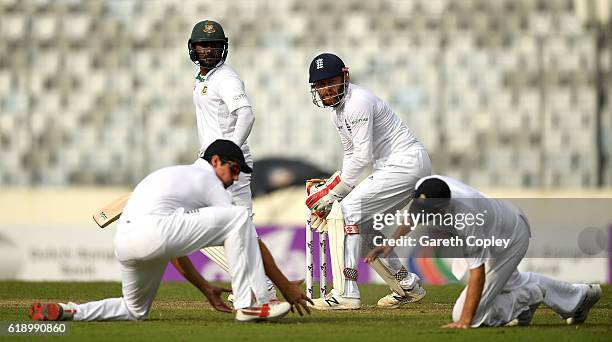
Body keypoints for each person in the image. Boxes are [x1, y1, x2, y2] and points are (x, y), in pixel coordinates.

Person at [29, 140, 312, 322]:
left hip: (127, 242)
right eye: (234, 170)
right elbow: (243, 231)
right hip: (154, 232)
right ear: (215, 161)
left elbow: (171, 248)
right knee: (239, 217)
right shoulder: (208, 180)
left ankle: (70, 311)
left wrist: (204, 287)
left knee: (134, 310)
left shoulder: (169, 176)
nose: (235, 178)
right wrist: (284, 285)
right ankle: (248, 303)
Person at [374, 175, 602, 328]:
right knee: (464, 272)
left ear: (444, 206)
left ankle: (529, 296)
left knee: (469, 314)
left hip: (508, 239)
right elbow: (413, 215)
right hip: (499, 224)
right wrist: (391, 242)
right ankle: (578, 296)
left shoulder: (466, 218)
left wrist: (463, 322)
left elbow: (478, 273)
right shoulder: (428, 186)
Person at [305, 53, 432, 310]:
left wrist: (334, 194)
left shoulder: (357, 102)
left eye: (331, 82)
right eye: (320, 85)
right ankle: (406, 285)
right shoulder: (337, 113)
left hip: (405, 164)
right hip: (395, 166)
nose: (326, 89)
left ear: (345, 77)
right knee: (362, 228)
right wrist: (334, 189)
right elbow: (351, 154)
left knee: (347, 213)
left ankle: (347, 293)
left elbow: (363, 156)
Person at [188, 19, 277, 300]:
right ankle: (258, 281)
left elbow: (246, 114)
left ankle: (261, 283)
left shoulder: (225, 78)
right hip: (211, 162)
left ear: (223, 48)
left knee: (237, 226)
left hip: (228, 165)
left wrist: (229, 151)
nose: (209, 51)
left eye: (215, 46)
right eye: (204, 45)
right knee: (205, 224)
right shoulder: (205, 78)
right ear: (193, 48)